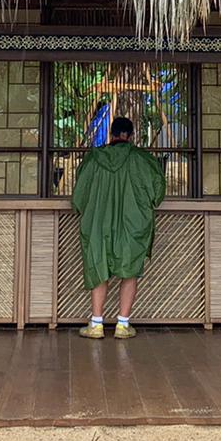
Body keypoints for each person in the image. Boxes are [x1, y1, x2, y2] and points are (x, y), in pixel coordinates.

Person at [72, 115, 165, 339]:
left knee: (99, 269)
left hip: (98, 223)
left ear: (111, 134)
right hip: (132, 224)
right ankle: (123, 325)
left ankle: (96, 324)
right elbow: (158, 192)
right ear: (130, 135)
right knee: (130, 271)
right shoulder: (142, 160)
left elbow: (78, 198)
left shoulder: (93, 159)